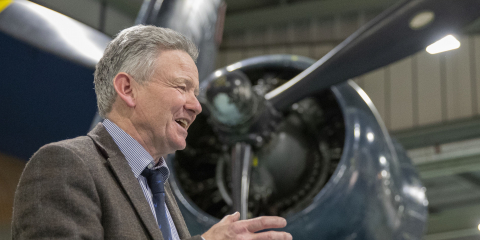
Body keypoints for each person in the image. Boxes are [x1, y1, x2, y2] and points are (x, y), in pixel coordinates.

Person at [11, 25, 292, 240]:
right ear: (128, 89)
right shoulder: (65, 165)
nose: (197, 106)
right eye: (182, 87)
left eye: (195, 93)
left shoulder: (157, 183)